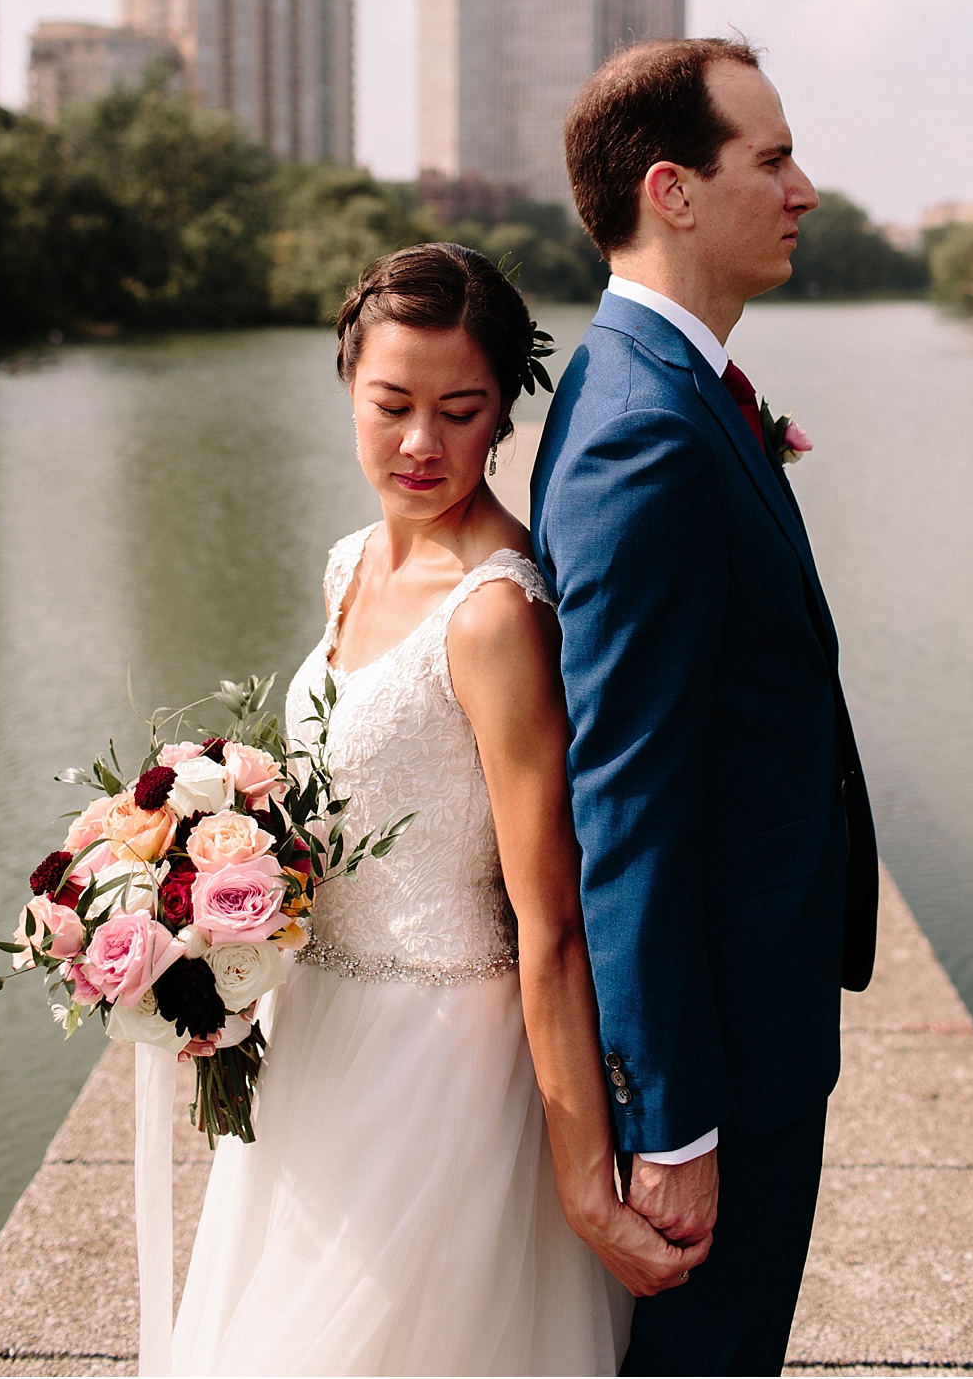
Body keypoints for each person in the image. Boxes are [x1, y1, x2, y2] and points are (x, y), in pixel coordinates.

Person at [172, 243, 697, 1375]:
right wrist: (199, 945)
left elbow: (550, 923)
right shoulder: (348, 564)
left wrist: (581, 1179)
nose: (421, 443)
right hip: (313, 1041)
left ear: (501, 413)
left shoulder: (496, 615)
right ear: (349, 389)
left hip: (441, 1070)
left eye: (460, 410)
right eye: (392, 404)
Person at [533, 41, 880, 1377]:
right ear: (673, 190)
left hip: (756, 1017)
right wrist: (670, 1124)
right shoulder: (645, 430)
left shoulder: (668, 386)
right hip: (725, 1060)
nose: (805, 188)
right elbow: (625, 796)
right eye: (774, 157)